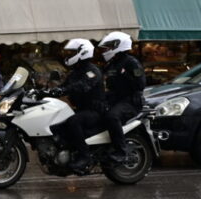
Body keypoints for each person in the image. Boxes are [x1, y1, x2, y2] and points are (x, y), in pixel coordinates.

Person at [51, 39, 107, 171]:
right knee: (58, 123)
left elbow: (82, 86)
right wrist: (45, 92)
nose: (69, 55)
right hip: (82, 109)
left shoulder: (92, 71)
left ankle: (85, 156)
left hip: (95, 111)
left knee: (73, 121)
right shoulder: (75, 72)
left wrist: (63, 90)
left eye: (73, 52)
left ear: (83, 52)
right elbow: (64, 86)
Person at [99, 31, 146, 162]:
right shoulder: (111, 64)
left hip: (130, 101)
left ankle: (121, 151)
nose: (107, 50)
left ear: (118, 46)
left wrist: (126, 76)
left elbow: (141, 84)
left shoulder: (132, 63)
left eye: (110, 47)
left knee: (112, 117)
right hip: (116, 100)